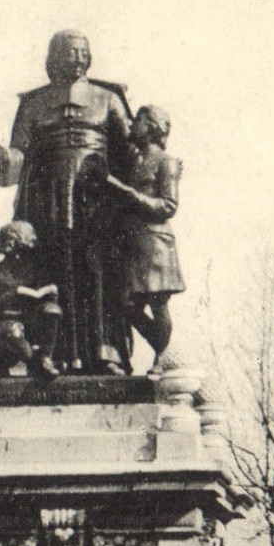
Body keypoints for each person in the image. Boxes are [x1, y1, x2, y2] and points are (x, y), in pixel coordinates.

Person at [0, 30, 132, 374]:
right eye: (68, 52)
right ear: (53, 57)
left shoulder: (108, 97)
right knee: (51, 271)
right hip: (46, 198)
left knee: (96, 271)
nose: (76, 59)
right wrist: (4, 157)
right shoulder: (33, 103)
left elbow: (128, 152)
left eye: (82, 52)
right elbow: (18, 153)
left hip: (95, 198)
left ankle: (104, 352)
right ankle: (53, 353)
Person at [106, 105, 185, 360]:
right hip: (132, 244)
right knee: (125, 305)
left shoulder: (166, 161)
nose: (132, 124)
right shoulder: (133, 163)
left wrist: (133, 196)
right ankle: (165, 353)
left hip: (154, 241)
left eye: (138, 120)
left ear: (152, 127)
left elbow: (168, 205)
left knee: (157, 302)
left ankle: (162, 356)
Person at [0, 222, 61, 380]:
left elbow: (45, 298)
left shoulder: (34, 272)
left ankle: (45, 358)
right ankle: (35, 363)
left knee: (52, 310)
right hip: (5, 322)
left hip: (30, 319)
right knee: (14, 331)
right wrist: (12, 294)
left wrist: (51, 294)